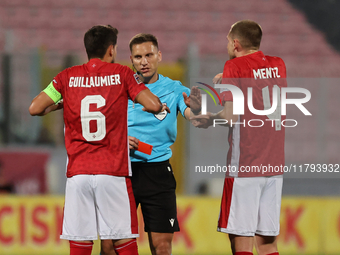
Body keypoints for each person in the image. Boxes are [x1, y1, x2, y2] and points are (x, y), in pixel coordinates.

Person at [29, 25, 170, 255]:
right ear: (112, 50)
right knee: (123, 243)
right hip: (112, 172)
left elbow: (35, 108)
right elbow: (153, 105)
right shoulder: (123, 74)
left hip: (78, 175)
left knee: (80, 244)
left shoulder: (66, 77)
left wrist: (61, 104)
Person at [192, 20, 286, 255]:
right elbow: (259, 78)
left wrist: (210, 118)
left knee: (241, 242)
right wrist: (229, 75)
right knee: (267, 245)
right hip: (274, 166)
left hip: (246, 164)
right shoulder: (279, 64)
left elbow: (231, 117)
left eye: (227, 40)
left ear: (235, 44)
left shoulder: (234, 67)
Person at [101, 33, 201, 255]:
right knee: (109, 246)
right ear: (131, 59)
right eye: (138, 57)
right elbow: (98, 128)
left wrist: (196, 109)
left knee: (162, 246)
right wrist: (117, 141)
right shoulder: (117, 88)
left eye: (149, 55)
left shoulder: (175, 89)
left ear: (159, 56)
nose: (144, 61)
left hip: (157, 172)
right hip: (120, 171)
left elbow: (195, 118)